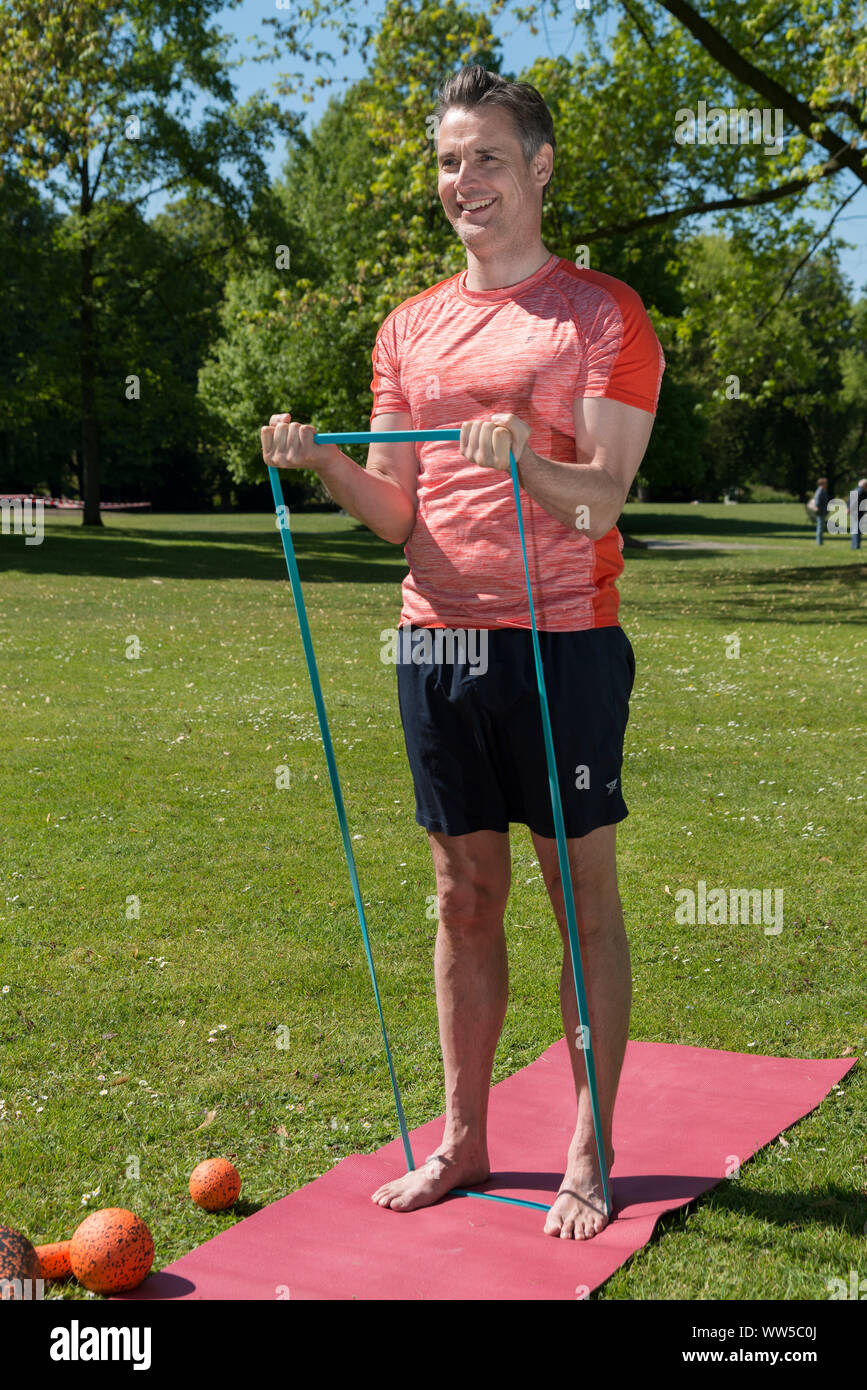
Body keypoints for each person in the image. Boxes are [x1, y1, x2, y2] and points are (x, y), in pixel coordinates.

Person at [260, 64, 664, 1240]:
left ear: (538, 169)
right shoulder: (409, 327)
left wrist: (519, 459)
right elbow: (398, 509)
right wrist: (321, 463)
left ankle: (589, 1147)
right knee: (460, 893)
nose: (463, 180)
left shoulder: (602, 313)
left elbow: (600, 499)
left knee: (575, 891)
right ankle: (464, 1139)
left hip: (564, 642)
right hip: (437, 645)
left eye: (486, 156)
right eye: (447, 160)